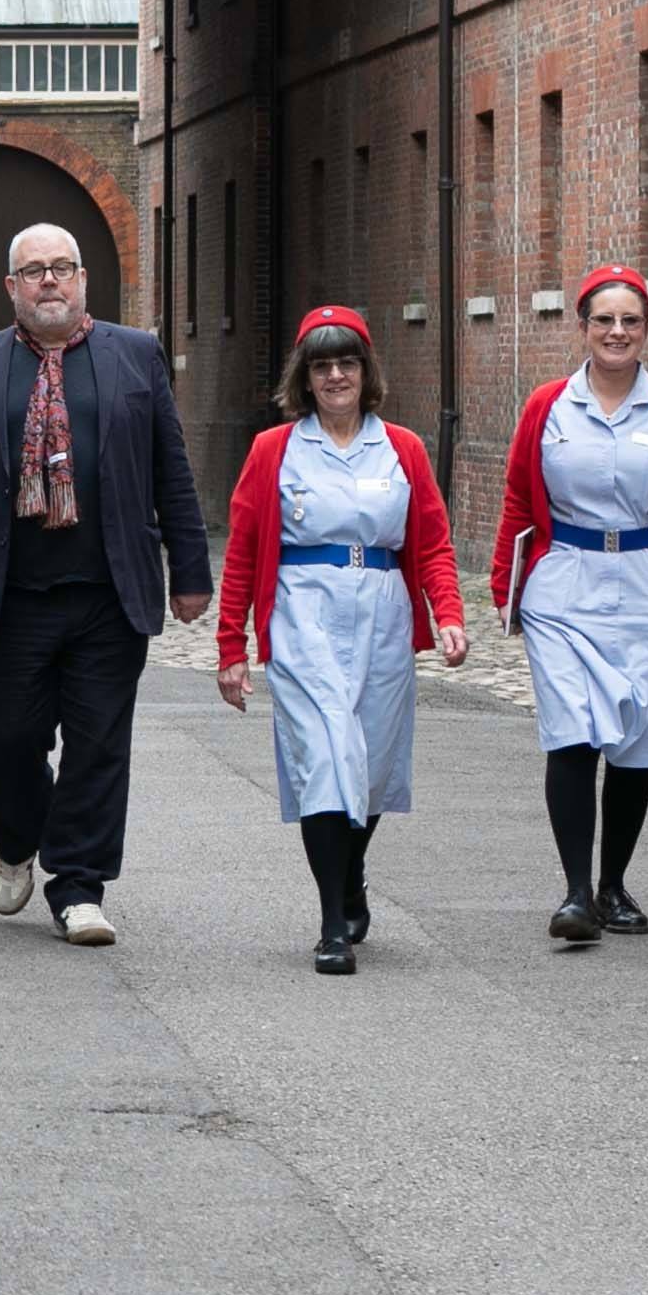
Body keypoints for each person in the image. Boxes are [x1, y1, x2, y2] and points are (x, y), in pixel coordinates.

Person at [0, 224, 212, 945]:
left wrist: (189, 569)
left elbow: (169, 468)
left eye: (61, 268)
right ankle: (16, 838)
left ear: (83, 279)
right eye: (33, 271)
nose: (48, 281)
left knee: (97, 745)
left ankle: (79, 886)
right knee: (11, 738)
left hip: (108, 593)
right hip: (10, 595)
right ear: (10, 287)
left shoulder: (135, 356)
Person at [212, 309, 467, 974]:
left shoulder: (403, 449)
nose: (334, 376)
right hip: (303, 615)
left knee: (372, 766)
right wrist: (230, 648)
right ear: (304, 376)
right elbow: (241, 551)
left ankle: (350, 872)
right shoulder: (275, 450)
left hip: (382, 613)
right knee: (326, 756)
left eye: (346, 363)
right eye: (321, 366)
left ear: (365, 371)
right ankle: (331, 922)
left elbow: (432, 541)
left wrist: (446, 613)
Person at [489, 266, 648, 946]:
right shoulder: (546, 407)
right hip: (564, 584)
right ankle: (575, 893)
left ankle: (614, 884)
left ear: (646, 329)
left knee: (633, 742)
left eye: (630, 321)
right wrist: (507, 587)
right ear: (582, 328)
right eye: (603, 321)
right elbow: (516, 499)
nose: (616, 333)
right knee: (572, 731)